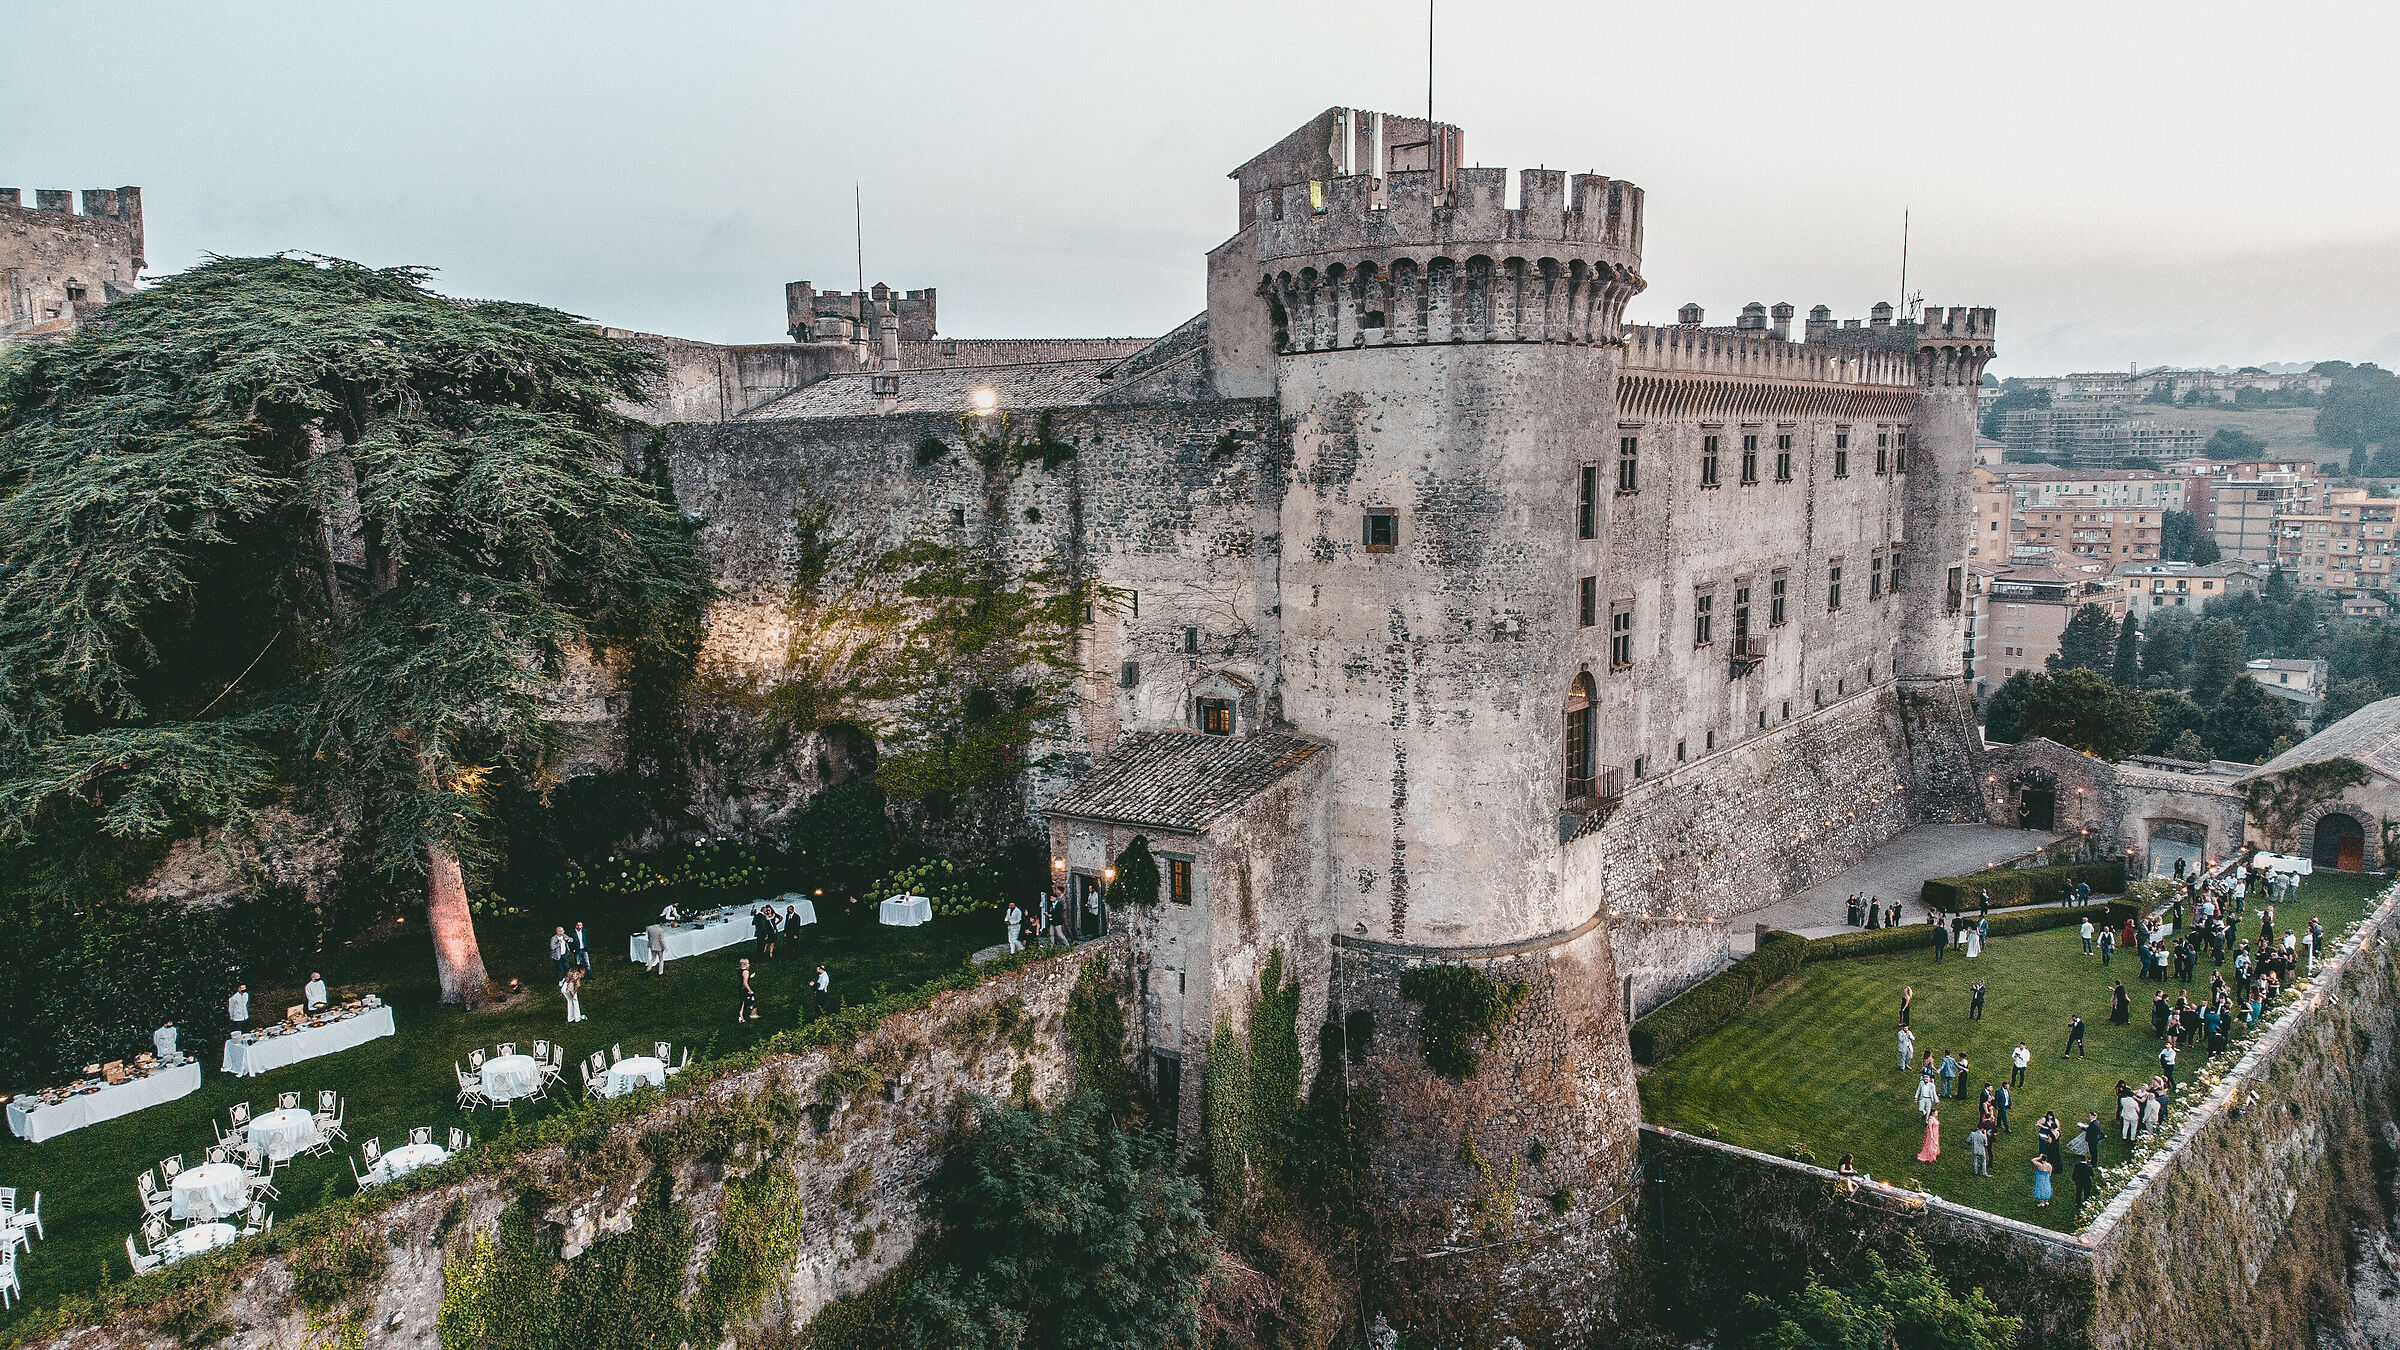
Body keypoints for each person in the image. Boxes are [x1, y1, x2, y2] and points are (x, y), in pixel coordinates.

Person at [734, 958, 760, 1023]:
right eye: (748, 963)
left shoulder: (740, 971)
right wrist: (750, 990)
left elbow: (742, 978)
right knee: (752, 1000)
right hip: (744, 989)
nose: (749, 964)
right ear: (745, 964)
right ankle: (753, 1014)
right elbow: (745, 982)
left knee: (742, 1002)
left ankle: (741, 1016)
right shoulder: (746, 972)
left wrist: (750, 976)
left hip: (740, 988)